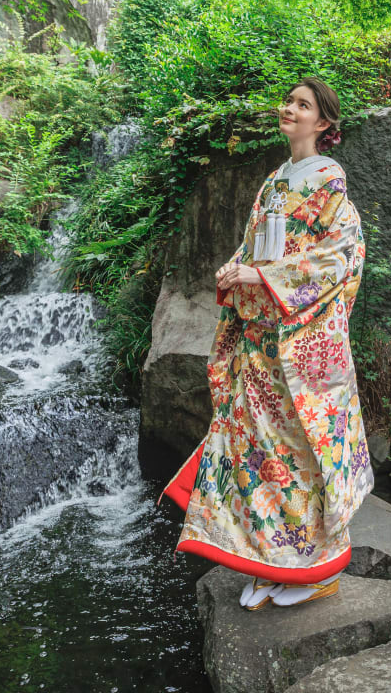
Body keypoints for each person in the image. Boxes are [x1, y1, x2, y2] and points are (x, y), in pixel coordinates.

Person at [162, 78, 373, 610]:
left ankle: (314, 569)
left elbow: (337, 257)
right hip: (259, 339)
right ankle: (273, 561)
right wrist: (236, 268)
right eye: (289, 102)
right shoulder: (276, 179)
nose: (290, 109)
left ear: (323, 123)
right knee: (259, 454)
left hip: (296, 342)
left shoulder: (330, 181)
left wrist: (266, 279)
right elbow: (255, 242)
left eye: (302, 105)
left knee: (297, 453)